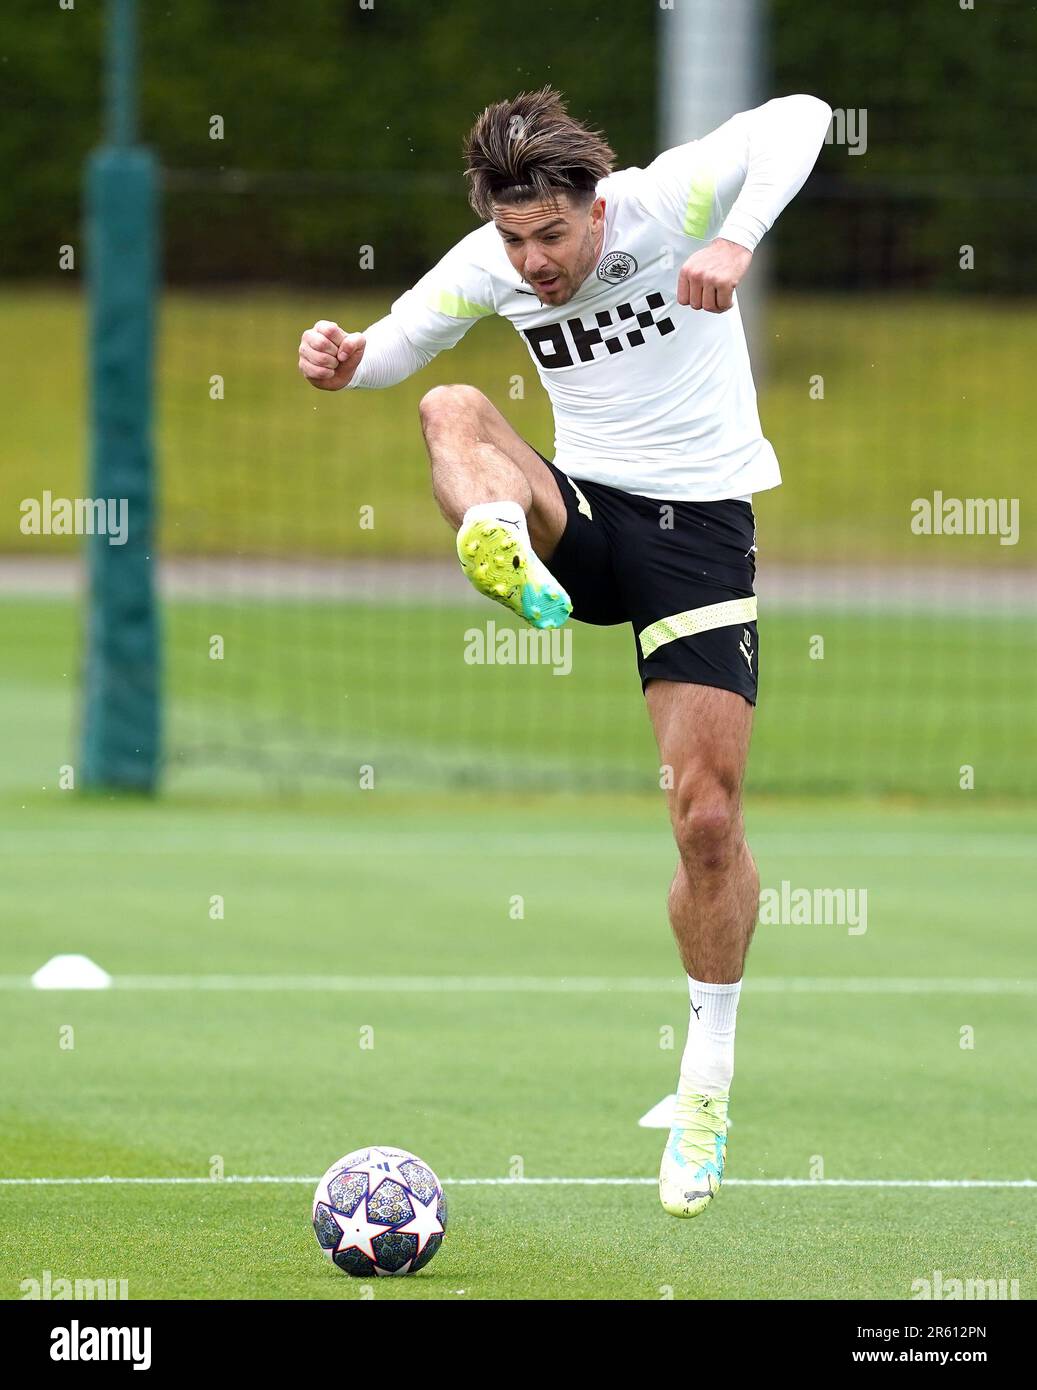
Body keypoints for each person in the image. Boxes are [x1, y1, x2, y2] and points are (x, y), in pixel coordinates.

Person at [297, 86, 832, 1218]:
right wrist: (347, 357)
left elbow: (803, 112)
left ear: (595, 206)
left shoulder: (666, 201)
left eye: (550, 236)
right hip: (578, 513)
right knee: (451, 403)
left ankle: (704, 1083)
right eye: (513, 239)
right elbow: (400, 344)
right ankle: (496, 540)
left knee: (706, 820)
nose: (532, 263)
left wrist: (735, 241)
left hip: (696, 534)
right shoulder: (494, 259)